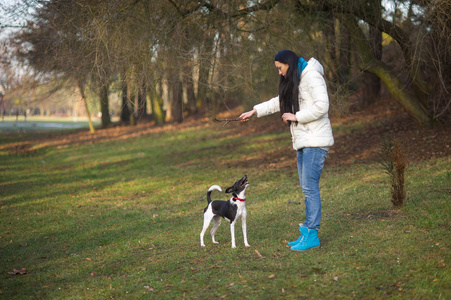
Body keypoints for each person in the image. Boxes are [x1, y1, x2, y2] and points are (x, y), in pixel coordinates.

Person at [239, 50, 334, 251]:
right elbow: (278, 101)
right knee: (306, 187)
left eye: (280, 68)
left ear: (288, 64)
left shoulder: (311, 77)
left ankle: (312, 235)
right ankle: (307, 233)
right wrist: (254, 111)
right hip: (305, 140)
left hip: (315, 140)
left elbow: (322, 106)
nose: (280, 73)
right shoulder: (297, 79)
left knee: (309, 187)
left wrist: (296, 116)